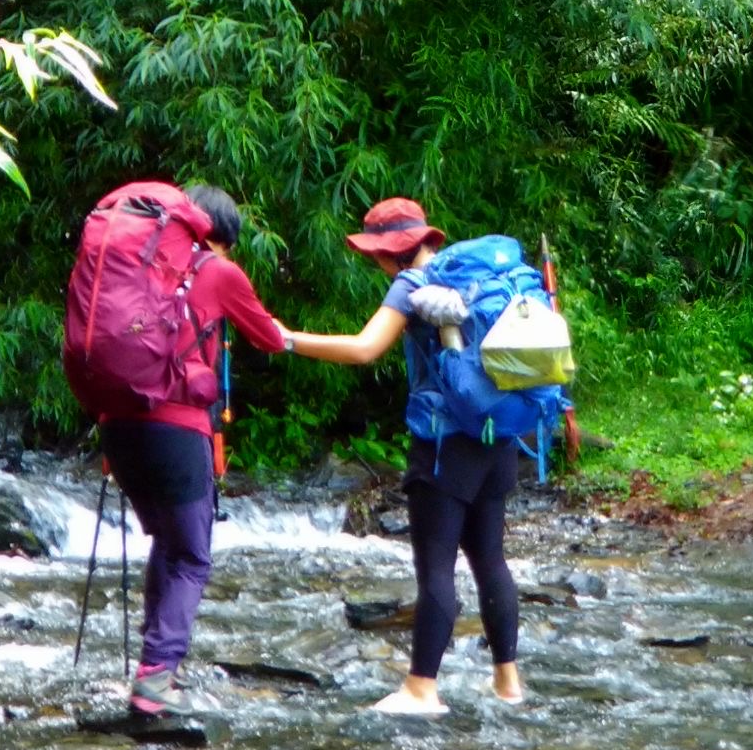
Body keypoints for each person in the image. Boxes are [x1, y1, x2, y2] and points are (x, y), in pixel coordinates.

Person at [286, 199, 524, 717]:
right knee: (490, 558)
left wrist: (287, 340)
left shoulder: (411, 285)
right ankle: (508, 681)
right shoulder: (474, 277)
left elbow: (364, 348)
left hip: (443, 446)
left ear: (390, 251)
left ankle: (422, 687)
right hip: (499, 435)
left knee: (436, 567)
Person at [91, 183, 299, 719]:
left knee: (169, 540)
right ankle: (157, 677)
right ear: (218, 236)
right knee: (192, 555)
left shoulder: (133, 266)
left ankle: (153, 667)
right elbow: (270, 339)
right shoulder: (218, 271)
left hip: (118, 424)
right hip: (178, 430)